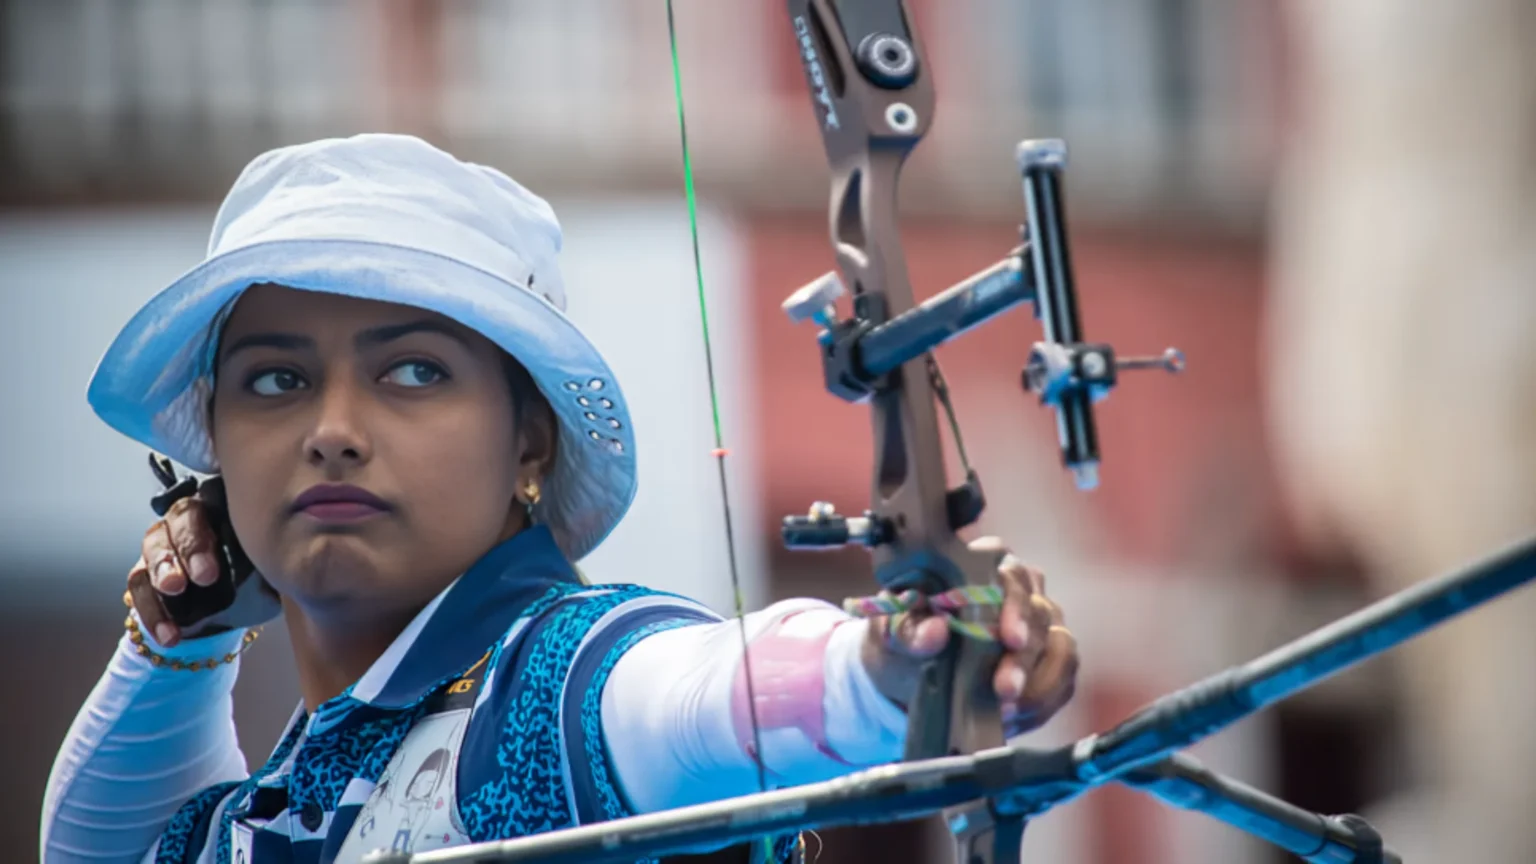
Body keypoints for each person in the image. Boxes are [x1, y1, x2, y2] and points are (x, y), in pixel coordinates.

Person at [37, 134, 1079, 864]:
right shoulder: (286, 793)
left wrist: (905, 657)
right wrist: (179, 639)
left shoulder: (550, 680)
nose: (332, 428)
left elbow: (697, 695)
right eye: (275, 379)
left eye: (411, 373)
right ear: (216, 450)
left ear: (527, 435)